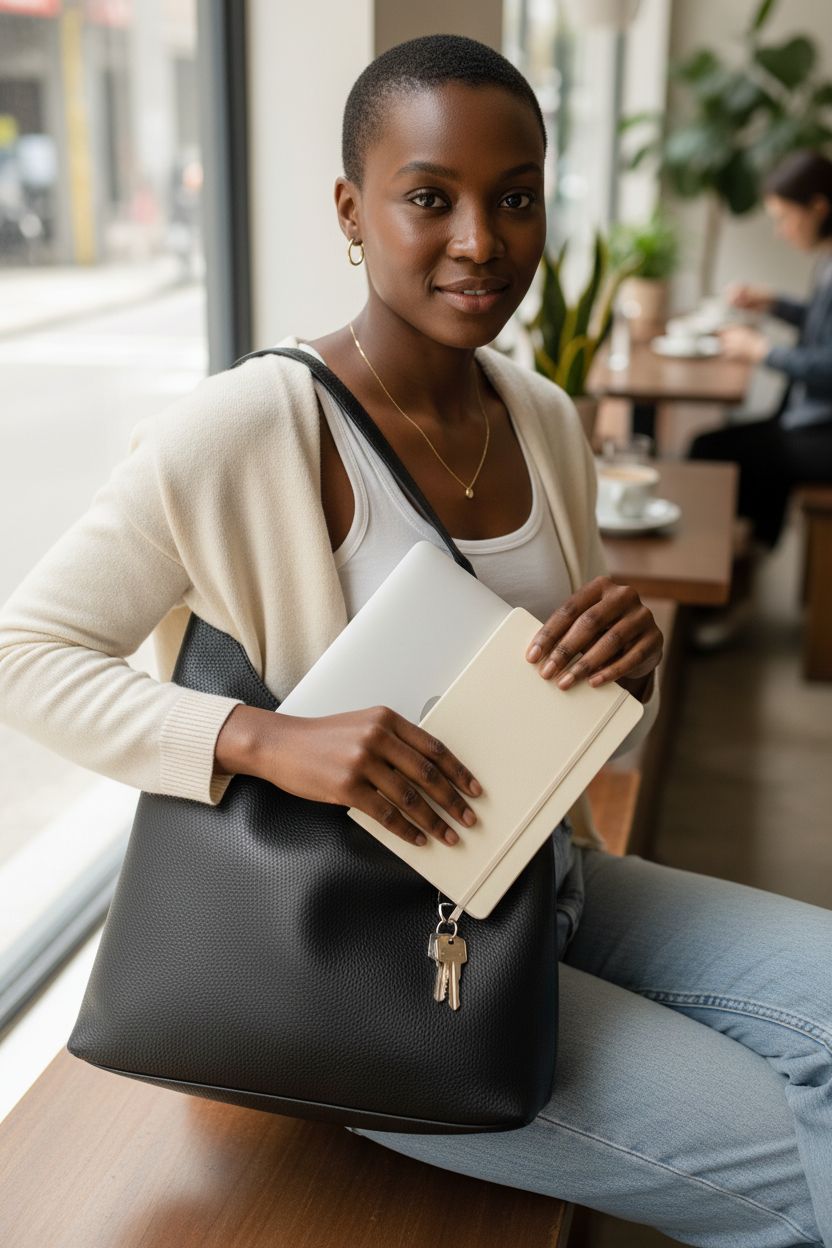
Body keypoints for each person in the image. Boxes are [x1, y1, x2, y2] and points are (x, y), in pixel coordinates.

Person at [0, 34, 830, 1247]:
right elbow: (26, 651)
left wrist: (623, 668)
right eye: (429, 197)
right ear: (351, 207)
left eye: (516, 198)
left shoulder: (540, 414)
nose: (481, 240)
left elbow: (579, 712)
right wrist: (264, 740)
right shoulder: (246, 428)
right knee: (786, 1161)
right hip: (368, 972)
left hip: (546, 881)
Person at [687, 150, 832, 648]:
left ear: (816, 207)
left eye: (784, 218)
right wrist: (773, 303)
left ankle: (725, 587)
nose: (781, 231)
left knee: (715, 451)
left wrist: (760, 350)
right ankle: (742, 568)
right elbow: (822, 322)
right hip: (812, 421)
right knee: (738, 445)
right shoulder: (828, 257)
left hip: (824, 434)